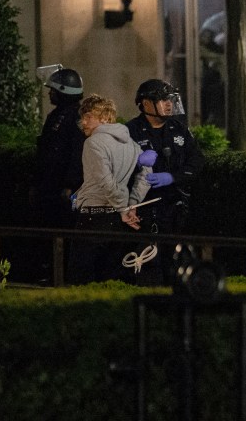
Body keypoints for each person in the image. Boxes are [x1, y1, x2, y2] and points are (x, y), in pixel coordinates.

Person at [126, 79, 206, 285]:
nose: (168, 104)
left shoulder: (178, 128)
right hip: (146, 210)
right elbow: (120, 167)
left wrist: (173, 177)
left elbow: (197, 161)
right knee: (149, 268)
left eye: (170, 99)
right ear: (145, 104)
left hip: (176, 208)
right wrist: (137, 162)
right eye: (162, 99)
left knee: (178, 267)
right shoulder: (131, 131)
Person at [67, 94, 150, 284]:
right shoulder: (131, 144)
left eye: (88, 117)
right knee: (110, 278)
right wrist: (132, 203)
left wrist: (123, 209)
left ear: (105, 117)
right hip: (116, 221)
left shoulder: (93, 143)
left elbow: (105, 181)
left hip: (92, 217)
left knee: (80, 280)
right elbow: (147, 173)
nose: (83, 122)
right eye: (83, 117)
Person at [30, 65, 85, 229]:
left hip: (64, 190)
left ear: (63, 91)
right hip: (49, 186)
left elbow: (77, 153)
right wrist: (36, 184)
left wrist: (70, 184)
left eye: (53, 90)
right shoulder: (55, 116)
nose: (49, 93)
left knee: (64, 229)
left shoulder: (77, 117)